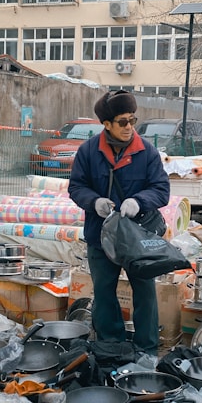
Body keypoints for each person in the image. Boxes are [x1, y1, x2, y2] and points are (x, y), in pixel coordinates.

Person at [68, 90, 170, 355]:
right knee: (103, 292)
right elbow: (76, 187)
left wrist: (139, 201)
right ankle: (110, 345)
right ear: (107, 124)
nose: (129, 127)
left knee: (145, 292)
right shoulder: (88, 152)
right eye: (122, 122)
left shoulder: (146, 151)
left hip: (139, 236)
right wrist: (94, 202)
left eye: (132, 120)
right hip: (100, 236)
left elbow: (161, 189)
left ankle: (147, 350)